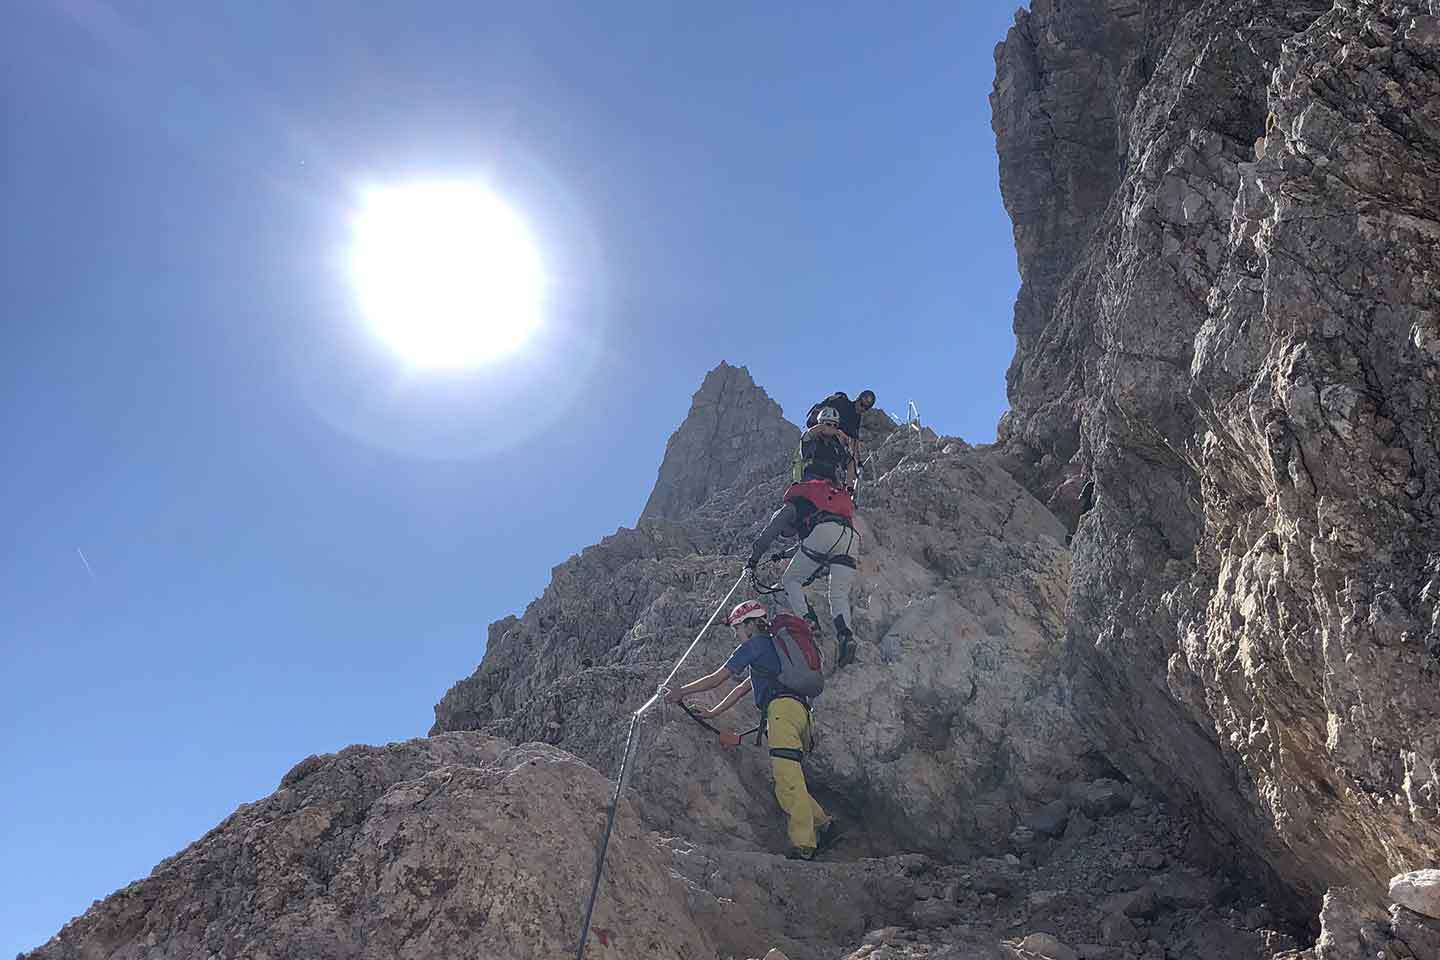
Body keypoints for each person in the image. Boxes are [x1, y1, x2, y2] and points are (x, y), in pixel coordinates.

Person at [665, 600, 838, 860]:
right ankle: (824, 824)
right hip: (800, 715)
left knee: (787, 782)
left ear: (749, 624)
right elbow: (740, 688)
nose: (736, 634)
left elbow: (718, 678)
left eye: (737, 628)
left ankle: (805, 845)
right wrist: (713, 713)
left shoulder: (754, 645)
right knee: (788, 778)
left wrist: (681, 691)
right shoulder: (773, 651)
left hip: (781, 715)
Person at [751, 454, 860, 667]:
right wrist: (783, 555)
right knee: (838, 594)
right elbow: (811, 543)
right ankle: (846, 637)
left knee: (791, 580)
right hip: (850, 537)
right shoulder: (821, 500)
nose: (789, 533)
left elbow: (770, 532)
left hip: (825, 534)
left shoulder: (794, 503)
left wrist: (753, 560)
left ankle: (809, 623)